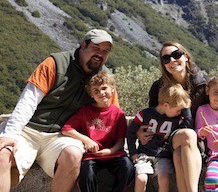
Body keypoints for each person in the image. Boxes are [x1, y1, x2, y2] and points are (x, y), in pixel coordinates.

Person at [0, 29, 116, 192]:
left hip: (62, 136)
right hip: (28, 130)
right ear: (83, 45)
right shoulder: (55, 63)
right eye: (96, 48)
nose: (100, 54)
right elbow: (29, 100)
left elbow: (111, 114)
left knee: (74, 155)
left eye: (105, 51)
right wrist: (11, 133)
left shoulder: (105, 78)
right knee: (3, 153)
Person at [137, 41, 207, 192]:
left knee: (179, 154)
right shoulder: (159, 87)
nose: (172, 61)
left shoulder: (203, 83)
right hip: (169, 137)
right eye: (166, 58)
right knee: (187, 136)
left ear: (186, 57)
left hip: (201, 136)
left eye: (176, 55)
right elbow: (151, 116)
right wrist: (139, 131)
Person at [61, 71, 133, 192]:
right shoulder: (85, 111)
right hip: (91, 156)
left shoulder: (119, 114)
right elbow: (66, 129)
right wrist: (86, 140)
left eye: (104, 88)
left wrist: (110, 151)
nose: (101, 93)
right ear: (91, 95)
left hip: (113, 154)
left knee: (128, 167)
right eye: (96, 91)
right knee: (86, 172)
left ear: (112, 89)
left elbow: (120, 141)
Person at [127, 82, 192, 192]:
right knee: (141, 178)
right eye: (178, 110)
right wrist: (133, 153)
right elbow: (130, 132)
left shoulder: (176, 119)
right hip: (144, 154)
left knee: (163, 179)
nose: (180, 113)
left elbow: (188, 124)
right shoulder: (144, 114)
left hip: (163, 156)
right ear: (166, 105)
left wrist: (186, 108)